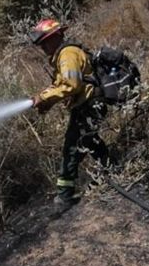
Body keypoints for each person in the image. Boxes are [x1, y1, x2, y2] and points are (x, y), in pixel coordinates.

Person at [29, 19, 112, 211]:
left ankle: (65, 196)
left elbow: (71, 85)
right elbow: (62, 85)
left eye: (46, 41)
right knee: (90, 141)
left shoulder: (67, 54)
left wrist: (43, 97)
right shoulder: (63, 55)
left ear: (58, 36)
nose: (44, 47)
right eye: (42, 44)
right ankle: (112, 168)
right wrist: (45, 101)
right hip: (86, 104)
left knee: (72, 147)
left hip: (89, 104)